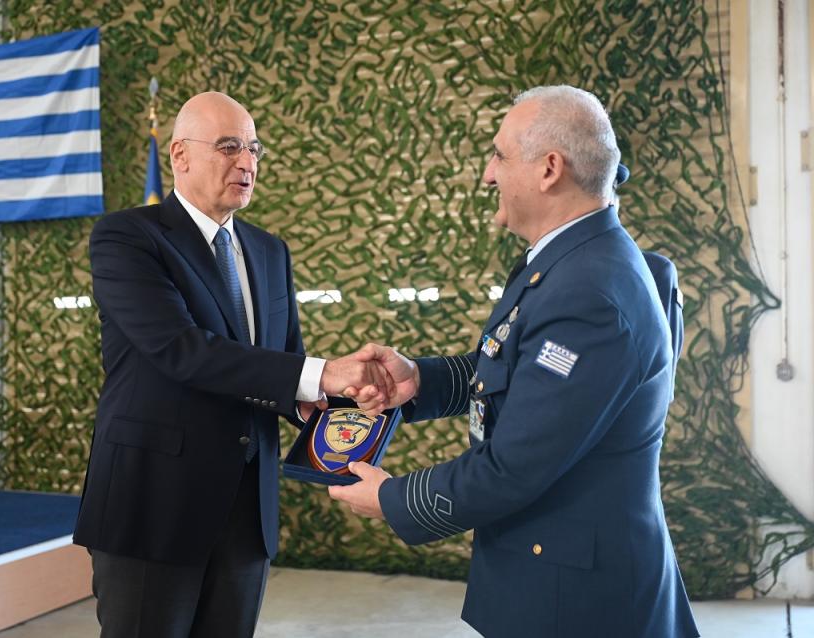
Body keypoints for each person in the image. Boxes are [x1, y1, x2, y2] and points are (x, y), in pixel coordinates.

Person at [329, 85, 700, 638]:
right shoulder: (579, 260)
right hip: (559, 577)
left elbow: (515, 466)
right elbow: (523, 375)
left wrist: (394, 499)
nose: (488, 174)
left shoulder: (588, 293)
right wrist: (421, 381)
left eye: (499, 156)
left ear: (550, 169)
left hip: (577, 603)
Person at [73, 91, 383, 638]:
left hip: (247, 515)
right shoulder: (127, 237)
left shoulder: (269, 251)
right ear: (179, 155)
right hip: (153, 506)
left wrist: (339, 404)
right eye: (228, 147)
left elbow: (284, 363)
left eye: (254, 149)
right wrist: (319, 373)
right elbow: (182, 350)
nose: (247, 162)